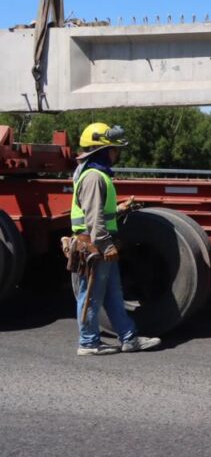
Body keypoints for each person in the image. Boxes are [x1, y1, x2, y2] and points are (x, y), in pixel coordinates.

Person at [71, 122, 161, 356]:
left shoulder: (98, 175)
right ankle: (88, 343)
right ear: (101, 151)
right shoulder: (93, 178)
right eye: (113, 149)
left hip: (100, 246)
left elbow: (101, 213)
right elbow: (93, 219)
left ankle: (129, 338)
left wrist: (121, 209)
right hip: (94, 247)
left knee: (113, 295)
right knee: (91, 295)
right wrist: (106, 245)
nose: (116, 154)